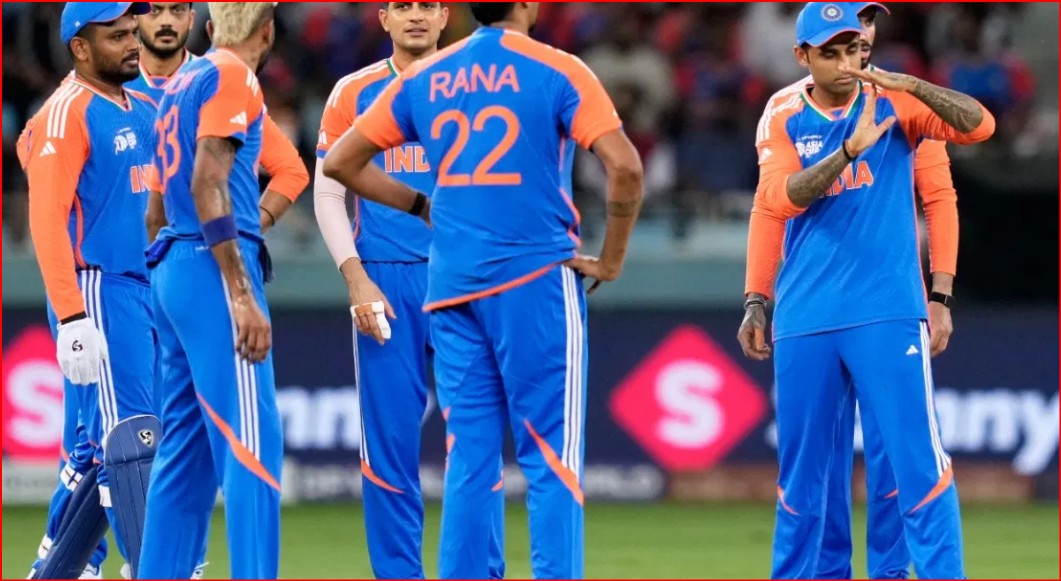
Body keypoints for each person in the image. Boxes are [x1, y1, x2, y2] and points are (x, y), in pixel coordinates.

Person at [322, 3, 644, 578]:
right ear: (528, 5)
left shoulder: (426, 77)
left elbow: (341, 163)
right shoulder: (558, 67)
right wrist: (613, 260)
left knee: (469, 458)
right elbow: (626, 167)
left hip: (451, 287)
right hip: (533, 277)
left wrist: (421, 205)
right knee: (551, 459)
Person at [743, 2, 994, 578]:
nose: (849, 60)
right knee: (804, 481)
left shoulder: (901, 100)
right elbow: (773, 204)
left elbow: (975, 136)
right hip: (805, 314)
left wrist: (941, 295)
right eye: (831, 50)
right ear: (803, 55)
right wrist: (756, 297)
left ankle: (902, 572)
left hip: (887, 311)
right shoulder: (783, 110)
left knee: (911, 466)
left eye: (855, 43)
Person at [313, 2, 503, 578]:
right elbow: (328, 192)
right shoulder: (353, 91)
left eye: (427, 5)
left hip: (463, 277)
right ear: (383, 18)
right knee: (389, 445)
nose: (416, 16)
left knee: (476, 441)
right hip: (385, 279)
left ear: (446, 17)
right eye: (403, 6)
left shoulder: (480, 84)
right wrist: (356, 277)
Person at [138, 3, 293, 579]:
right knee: (252, 447)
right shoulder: (234, 75)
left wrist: (169, 285)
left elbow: (155, 210)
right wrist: (241, 291)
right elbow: (209, 183)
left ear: (208, 28)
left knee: (184, 458)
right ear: (267, 32)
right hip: (213, 267)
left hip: (174, 262)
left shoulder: (181, 82)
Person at [18, 3, 163, 579]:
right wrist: (73, 317)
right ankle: (154, 566)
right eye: (116, 35)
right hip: (98, 289)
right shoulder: (65, 112)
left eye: (132, 32)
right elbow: (46, 219)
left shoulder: (143, 107)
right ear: (80, 47)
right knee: (132, 442)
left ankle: (58, 566)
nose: (133, 43)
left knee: (101, 447)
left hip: (143, 288)